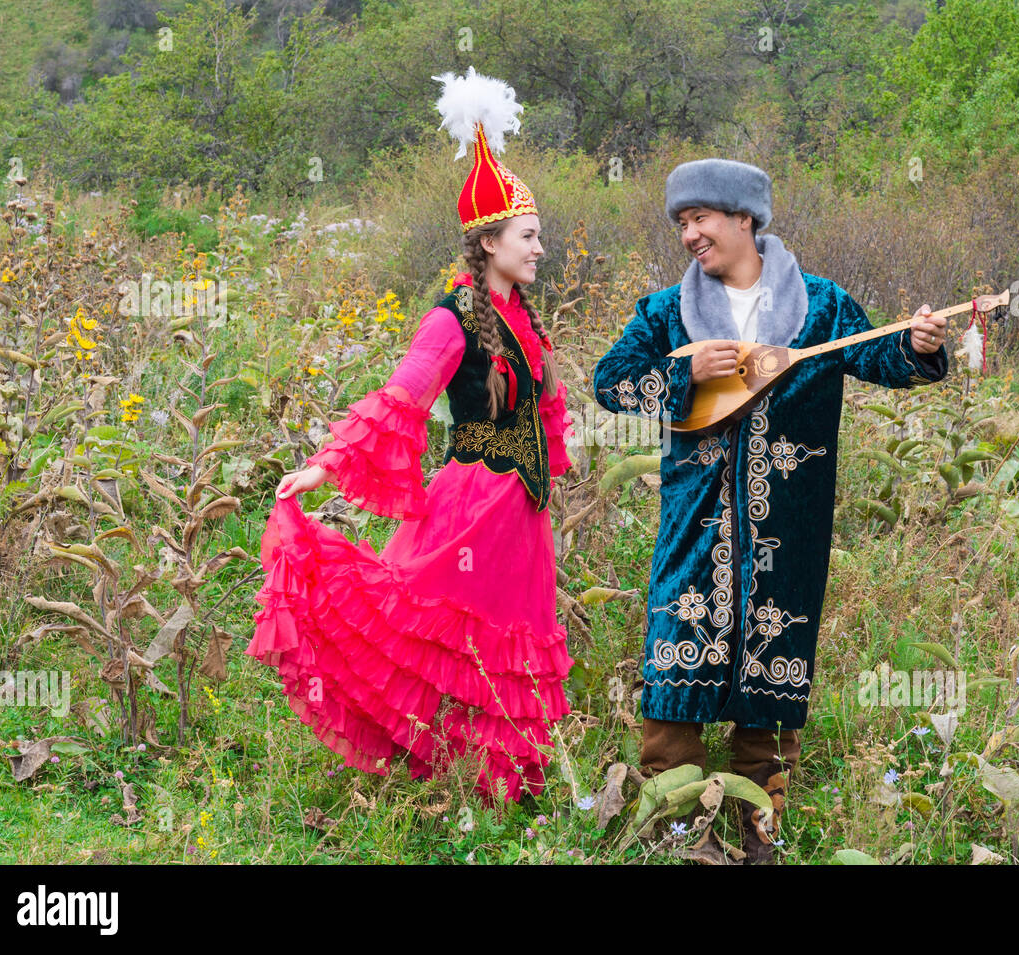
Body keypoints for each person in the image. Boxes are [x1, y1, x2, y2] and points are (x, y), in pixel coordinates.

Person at [592, 158, 949, 861]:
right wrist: (681, 373)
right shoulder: (666, 313)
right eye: (682, 223)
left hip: (790, 525)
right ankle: (676, 824)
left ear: (744, 218)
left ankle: (759, 820)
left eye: (701, 218)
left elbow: (883, 357)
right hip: (692, 524)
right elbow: (611, 382)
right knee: (675, 661)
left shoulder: (821, 306)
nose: (690, 234)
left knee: (774, 657)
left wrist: (919, 344)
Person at [247, 68, 575, 804]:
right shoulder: (451, 317)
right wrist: (324, 468)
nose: (540, 248)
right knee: (440, 641)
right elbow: (402, 398)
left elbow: (542, 415)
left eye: (539, 235)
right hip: (471, 507)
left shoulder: (523, 317)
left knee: (499, 647)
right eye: (529, 236)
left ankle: (494, 791)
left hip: (520, 517)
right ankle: (443, 778)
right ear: (489, 242)